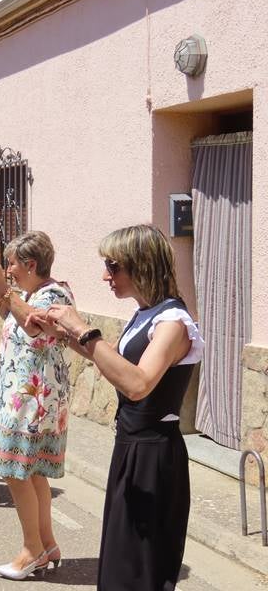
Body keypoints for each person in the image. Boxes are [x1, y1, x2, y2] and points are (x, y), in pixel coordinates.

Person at [35, 224, 203, 591]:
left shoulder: (173, 322)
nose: (105, 275)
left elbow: (138, 384)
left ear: (141, 265)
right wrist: (63, 332)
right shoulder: (148, 313)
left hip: (154, 453)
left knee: (139, 569)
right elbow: (114, 363)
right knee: (120, 562)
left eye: (114, 266)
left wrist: (83, 330)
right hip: (133, 446)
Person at [0, 231, 74, 580]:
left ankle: (31, 550)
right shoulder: (32, 293)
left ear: (31, 264)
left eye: (13, 264)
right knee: (30, 472)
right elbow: (10, 311)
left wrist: (3, 287)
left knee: (15, 471)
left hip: (32, 402)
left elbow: (34, 326)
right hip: (26, 397)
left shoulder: (54, 295)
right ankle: (45, 543)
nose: (9, 270)